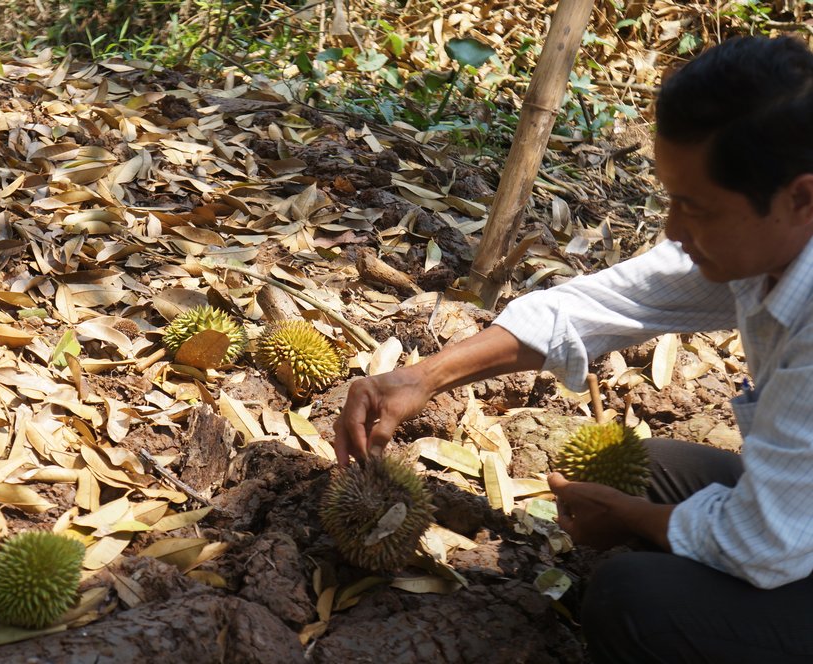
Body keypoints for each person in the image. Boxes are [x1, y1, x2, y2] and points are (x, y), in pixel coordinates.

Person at [333, 35, 813, 663]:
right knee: (650, 468)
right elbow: (606, 303)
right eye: (671, 200)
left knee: (633, 599)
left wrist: (634, 520)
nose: (672, 230)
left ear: (802, 198)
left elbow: (761, 542)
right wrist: (423, 377)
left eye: (695, 208)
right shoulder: (765, 245)